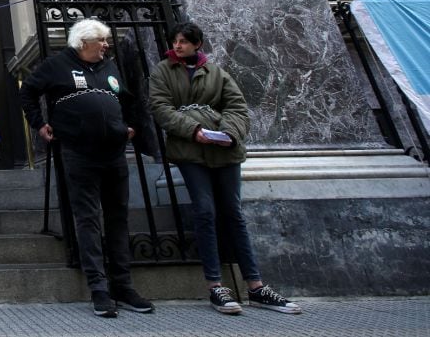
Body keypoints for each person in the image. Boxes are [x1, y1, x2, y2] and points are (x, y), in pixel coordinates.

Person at [149, 21, 301, 315]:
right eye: (175, 41)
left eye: (183, 41)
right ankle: (216, 285)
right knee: (205, 211)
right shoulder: (162, 71)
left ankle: (256, 286)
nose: (177, 46)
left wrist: (229, 132)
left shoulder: (216, 73)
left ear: (197, 44)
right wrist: (194, 129)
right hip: (190, 150)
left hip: (224, 151)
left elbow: (237, 106)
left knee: (233, 213)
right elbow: (160, 108)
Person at [20, 18, 155, 318]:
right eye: (101, 41)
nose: (107, 45)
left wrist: (129, 127)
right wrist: (39, 124)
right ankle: (99, 288)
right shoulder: (57, 64)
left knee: (118, 217)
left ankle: (123, 284)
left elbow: (126, 98)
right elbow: (27, 91)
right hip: (79, 153)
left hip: (114, 153)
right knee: (88, 218)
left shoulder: (108, 66)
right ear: (83, 43)